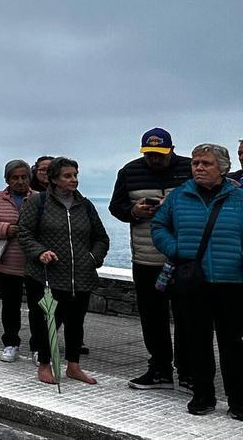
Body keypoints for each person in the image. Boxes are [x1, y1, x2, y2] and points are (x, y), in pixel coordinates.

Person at [152, 143, 243, 417]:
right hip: (193, 282)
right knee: (197, 341)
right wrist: (175, 249)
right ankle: (203, 396)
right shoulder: (180, 197)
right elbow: (158, 226)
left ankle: (238, 400)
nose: (199, 168)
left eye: (206, 163)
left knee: (234, 345)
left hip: (233, 282)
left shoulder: (239, 198)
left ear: (223, 168)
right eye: (195, 163)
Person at [109, 127, 193, 392]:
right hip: (146, 260)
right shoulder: (129, 171)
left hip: (185, 259)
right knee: (152, 318)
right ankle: (160, 370)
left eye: (160, 154)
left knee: (187, 318)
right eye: (149, 154)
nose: (154, 159)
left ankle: (188, 372)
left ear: (171, 149)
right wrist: (133, 211)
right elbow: (116, 207)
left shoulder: (191, 168)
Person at [18, 157, 108, 385]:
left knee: (76, 322)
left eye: (75, 175)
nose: (73, 180)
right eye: (68, 176)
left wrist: (93, 258)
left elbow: (100, 238)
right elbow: (24, 234)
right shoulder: (37, 203)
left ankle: (73, 366)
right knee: (46, 322)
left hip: (81, 276)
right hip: (46, 275)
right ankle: (45, 364)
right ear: (54, 179)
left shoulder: (85, 205)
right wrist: (40, 252)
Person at [0, 159, 37, 363]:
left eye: (24, 177)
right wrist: (6, 229)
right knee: (10, 307)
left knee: (38, 308)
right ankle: (11, 343)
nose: (20, 181)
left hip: (34, 264)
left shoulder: (40, 198)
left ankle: (38, 347)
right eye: (15, 177)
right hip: (6, 263)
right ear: (7, 179)